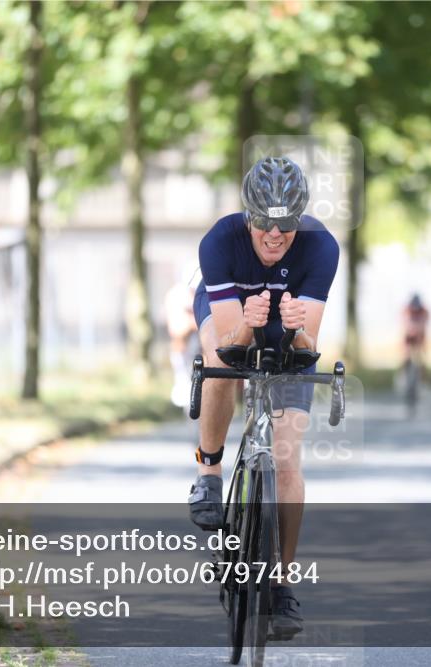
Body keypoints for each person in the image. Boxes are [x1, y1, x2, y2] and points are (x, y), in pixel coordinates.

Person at [187, 156, 339, 640]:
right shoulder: (220, 241)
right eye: (264, 224)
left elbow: (307, 349)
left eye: (286, 225)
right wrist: (249, 323)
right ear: (248, 216)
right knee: (218, 361)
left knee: (287, 460)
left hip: (287, 332)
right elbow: (230, 345)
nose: (275, 235)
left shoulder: (321, 247)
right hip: (232, 317)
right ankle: (209, 473)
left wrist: (296, 329)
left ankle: (281, 585)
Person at [165, 267, 201, 412]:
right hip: (184, 346)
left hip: (198, 346)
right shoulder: (177, 296)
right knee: (185, 380)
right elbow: (177, 328)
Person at [402, 293, 430, 368]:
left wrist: (418, 331)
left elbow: (424, 323)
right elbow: (405, 323)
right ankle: (405, 367)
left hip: (420, 335)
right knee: (406, 353)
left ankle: (423, 371)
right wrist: (411, 330)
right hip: (409, 334)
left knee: (421, 355)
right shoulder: (407, 310)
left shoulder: (424, 311)